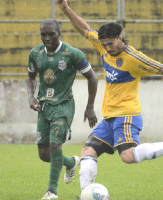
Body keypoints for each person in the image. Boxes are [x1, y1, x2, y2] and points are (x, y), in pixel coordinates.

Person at [57, 0, 163, 195]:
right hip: (110, 116)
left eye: (111, 44)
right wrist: (65, 8)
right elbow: (85, 28)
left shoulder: (135, 59)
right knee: (87, 152)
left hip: (127, 114)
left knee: (128, 156)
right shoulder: (103, 46)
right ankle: (86, 195)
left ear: (120, 38)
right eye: (104, 44)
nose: (107, 48)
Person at [27, 18, 98, 199]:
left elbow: (92, 77)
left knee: (54, 145)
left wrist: (90, 107)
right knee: (44, 154)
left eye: (52, 34)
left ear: (59, 34)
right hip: (44, 107)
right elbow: (31, 76)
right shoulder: (35, 53)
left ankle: (51, 192)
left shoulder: (72, 53)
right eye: (44, 34)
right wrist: (31, 97)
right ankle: (71, 163)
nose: (47, 38)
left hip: (64, 105)